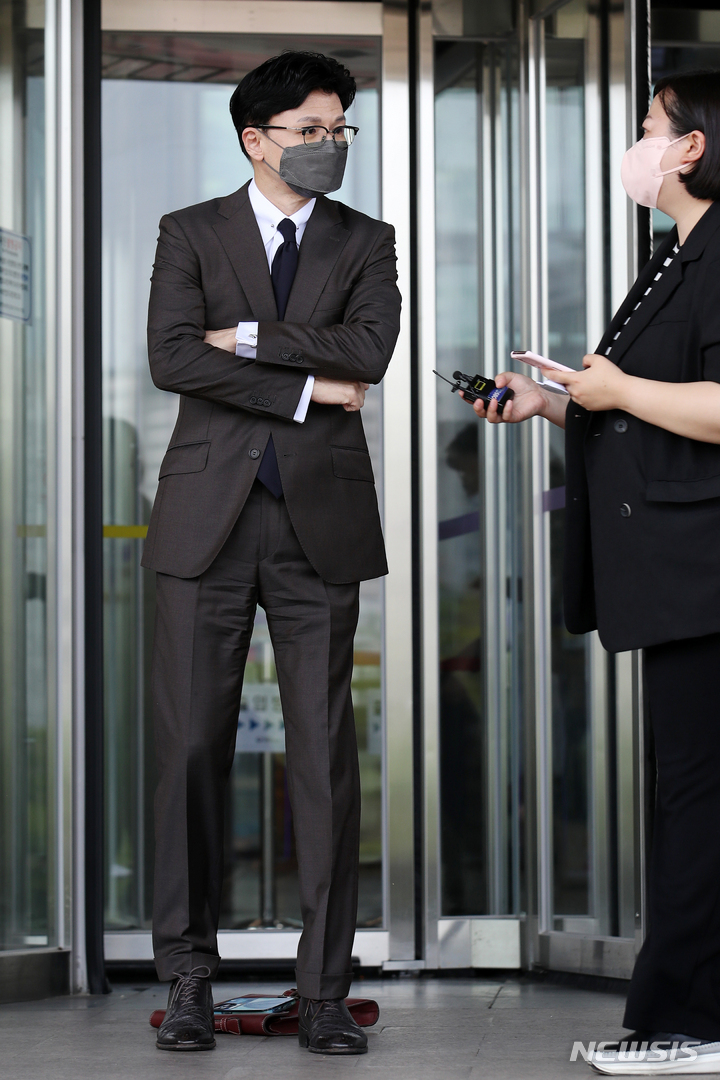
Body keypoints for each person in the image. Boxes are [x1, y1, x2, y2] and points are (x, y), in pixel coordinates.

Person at [143, 51, 401, 1055]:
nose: (330, 145)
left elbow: (369, 353)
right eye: (312, 130)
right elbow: (170, 357)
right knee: (191, 753)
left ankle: (326, 993)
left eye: (341, 130)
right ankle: (189, 981)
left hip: (317, 525)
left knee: (324, 761)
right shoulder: (189, 232)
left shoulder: (365, 240)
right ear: (257, 139)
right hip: (205, 523)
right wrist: (307, 385)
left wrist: (244, 340)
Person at [471, 70, 720, 1075]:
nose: (638, 141)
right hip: (671, 578)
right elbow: (632, 405)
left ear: (692, 145)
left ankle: (689, 1027)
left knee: (696, 802)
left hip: (704, 574)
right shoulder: (675, 256)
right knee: (686, 796)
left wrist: (617, 387)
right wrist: (551, 403)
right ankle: (682, 1020)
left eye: (650, 126)